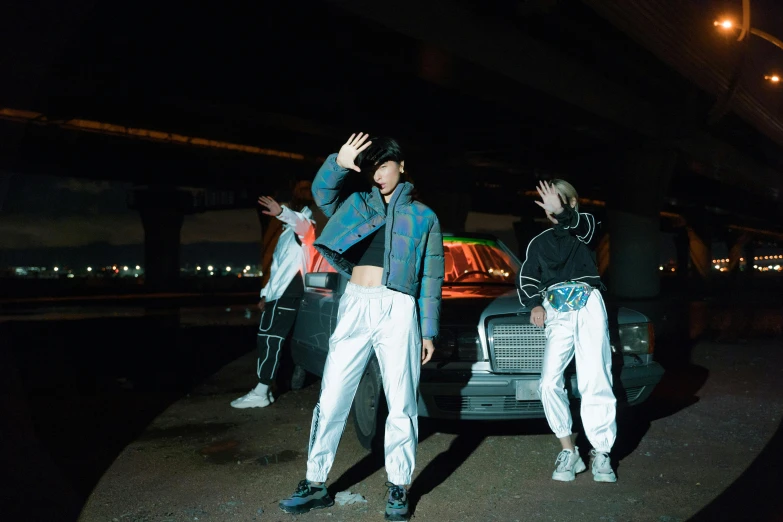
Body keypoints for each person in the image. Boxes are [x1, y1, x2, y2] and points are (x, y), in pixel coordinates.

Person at [279, 133, 444, 521]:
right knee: (333, 393)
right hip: (355, 301)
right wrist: (339, 161)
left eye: (385, 165)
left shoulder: (425, 216)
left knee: (402, 400)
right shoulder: (357, 203)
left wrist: (428, 331)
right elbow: (322, 196)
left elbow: (432, 276)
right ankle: (315, 483)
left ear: (402, 166)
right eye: (373, 168)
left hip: (398, 306)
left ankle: (399, 487)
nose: (379, 174)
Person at [517, 179, 617, 483]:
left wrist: (563, 213)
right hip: (556, 308)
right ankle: (568, 450)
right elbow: (528, 277)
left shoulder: (585, 226)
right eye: (547, 204)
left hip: (589, 302)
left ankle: (601, 453)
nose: (550, 208)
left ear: (571, 203)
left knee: (595, 376)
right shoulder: (538, 242)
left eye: (557, 203)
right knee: (548, 382)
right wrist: (535, 304)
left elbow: (584, 230)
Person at [231, 181, 316, 409]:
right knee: (269, 338)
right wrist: (265, 294)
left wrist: (283, 213)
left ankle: (262, 390)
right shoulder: (286, 233)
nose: (279, 207)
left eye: (285, 204)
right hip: (280, 292)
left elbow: (303, 226)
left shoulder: (307, 223)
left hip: (290, 291)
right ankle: (265, 390)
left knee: (271, 339)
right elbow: (277, 268)